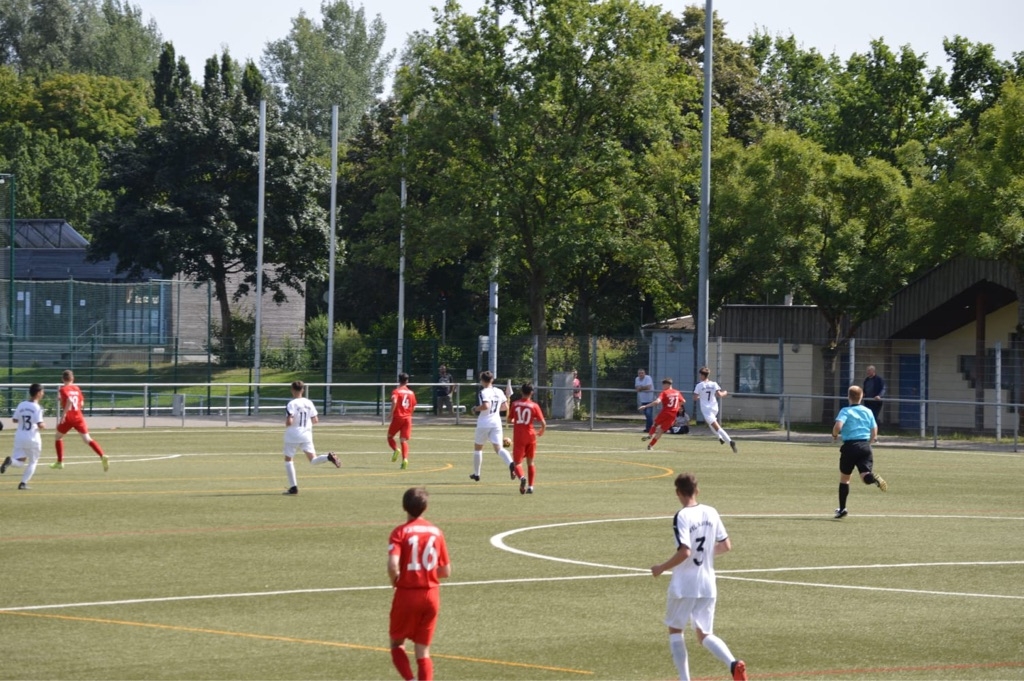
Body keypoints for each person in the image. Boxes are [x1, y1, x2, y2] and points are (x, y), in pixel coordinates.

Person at [651, 473, 747, 681]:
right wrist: (704, 555)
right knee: (704, 634)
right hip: (707, 583)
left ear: (678, 492)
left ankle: (685, 679)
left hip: (684, 584)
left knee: (676, 630)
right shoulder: (711, 511)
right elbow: (726, 545)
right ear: (697, 490)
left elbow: (685, 551)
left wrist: (662, 567)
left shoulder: (682, 516)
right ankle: (733, 663)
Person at [388, 487, 451, 681]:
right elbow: (446, 571)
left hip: (407, 593)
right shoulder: (436, 532)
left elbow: (392, 565)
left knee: (397, 643)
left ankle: (410, 679)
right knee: (423, 651)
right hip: (431, 595)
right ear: (426, 508)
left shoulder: (400, 532)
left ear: (403, 507)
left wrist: (395, 579)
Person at [832, 385, 888, 519]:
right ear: (862, 396)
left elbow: (838, 425)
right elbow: (874, 428)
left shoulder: (845, 411)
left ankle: (842, 509)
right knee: (865, 477)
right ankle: (873, 478)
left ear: (848, 397)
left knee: (845, 479)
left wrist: (834, 435)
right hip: (865, 446)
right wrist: (871, 441)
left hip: (850, 447)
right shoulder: (868, 411)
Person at [281, 380, 339, 495]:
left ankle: (293, 487)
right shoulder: (309, 403)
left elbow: (289, 421)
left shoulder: (291, 404)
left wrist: (288, 423)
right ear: (302, 390)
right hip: (306, 435)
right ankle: (328, 457)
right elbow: (315, 420)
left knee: (288, 460)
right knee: (313, 460)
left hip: (293, 435)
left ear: (292, 390)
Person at [50, 369, 109, 471]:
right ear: (73, 378)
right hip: (78, 416)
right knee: (87, 439)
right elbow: (81, 403)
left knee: (58, 437)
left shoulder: (63, 389)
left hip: (69, 417)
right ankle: (102, 455)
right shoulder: (77, 388)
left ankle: (60, 462)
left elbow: (69, 400)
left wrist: (63, 415)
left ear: (62, 379)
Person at [469, 370, 514, 482]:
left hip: (484, 422)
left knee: (478, 448)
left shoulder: (483, 392)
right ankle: (511, 463)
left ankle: (477, 474)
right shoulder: (499, 391)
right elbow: (505, 407)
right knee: (499, 448)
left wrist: (475, 409)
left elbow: (486, 405)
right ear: (492, 380)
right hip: (496, 423)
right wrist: (496, 408)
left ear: (482, 381)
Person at [1, 384, 46, 490]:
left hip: (20, 437)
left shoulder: (21, 404)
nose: (43, 394)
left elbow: (14, 420)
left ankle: (11, 461)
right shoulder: (37, 407)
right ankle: (23, 483)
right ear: (38, 393)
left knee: (20, 462)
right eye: (42, 392)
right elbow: (40, 424)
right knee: (33, 461)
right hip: (32, 438)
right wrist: (44, 425)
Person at [508, 383, 546, 494]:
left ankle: (522, 478)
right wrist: (541, 431)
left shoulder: (515, 404)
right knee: (531, 462)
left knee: (517, 463)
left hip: (519, 436)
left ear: (521, 391)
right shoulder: (534, 406)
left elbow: (509, 420)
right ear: (532, 393)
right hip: (531, 436)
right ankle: (531, 487)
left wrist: (517, 421)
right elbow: (543, 423)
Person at [694, 368, 738, 453]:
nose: (700, 376)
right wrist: (725, 392)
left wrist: (701, 396)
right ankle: (720, 438)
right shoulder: (714, 384)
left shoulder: (699, 385)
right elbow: (719, 395)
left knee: (717, 427)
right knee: (711, 424)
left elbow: (695, 398)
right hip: (714, 407)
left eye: (700, 375)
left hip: (706, 409)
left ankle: (730, 441)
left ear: (702, 375)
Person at [640, 378, 685, 450]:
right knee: (661, 431)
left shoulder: (664, 392)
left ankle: (650, 434)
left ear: (667, 384)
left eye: (663, 385)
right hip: (673, 415)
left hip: (665, 412)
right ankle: (650, 445)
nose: (663, 387)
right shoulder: (677, 392)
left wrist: (646, 406)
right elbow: (683, 401)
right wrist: (677, 407)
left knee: (655, 424)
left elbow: (657, 402)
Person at [388, 373, 417, 469]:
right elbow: (414, 406)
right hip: (408, 418)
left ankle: (396, 449)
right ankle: (405, 459)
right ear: (407, 381)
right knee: (403, 440)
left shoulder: (396, 391)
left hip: (398, 417)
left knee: (390, 437)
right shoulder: (411, 393)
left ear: (398, 380)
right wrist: (409, 414)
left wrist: (391, 413)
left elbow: (394, 401)